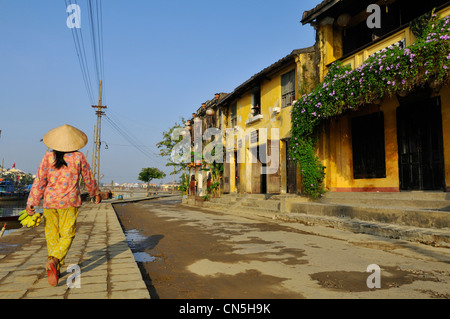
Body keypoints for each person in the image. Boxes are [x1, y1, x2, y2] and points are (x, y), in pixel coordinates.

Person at [26, 124, 102, 287]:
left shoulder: (48, 157)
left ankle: (56, 267)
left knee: (52, 235)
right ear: (73, 142)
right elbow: (88, 177)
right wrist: (95, 193)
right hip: (69, 202)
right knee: (68, 234)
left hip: (49, 202)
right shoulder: (79, 157)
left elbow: (40, 180)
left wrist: (32, 201)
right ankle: (54, 261)